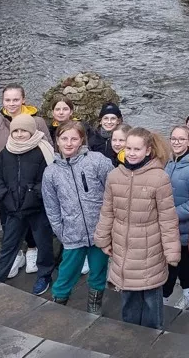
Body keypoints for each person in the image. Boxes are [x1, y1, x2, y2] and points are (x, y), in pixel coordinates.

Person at [94, 127, 180, 330]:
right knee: (129, 297)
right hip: (123, 246)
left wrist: (171, 252)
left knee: (151, 297)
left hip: (150, 248)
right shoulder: (115, 176)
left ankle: (153, 337)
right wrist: (103, 239)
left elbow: (167, 218)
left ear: (148, 150)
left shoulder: (159, 178)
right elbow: (107, 211)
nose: (131, 153)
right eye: (128, 148)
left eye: (137, 149)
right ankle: (131, 335)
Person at [0, 83, 52, 278]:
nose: (11, 103)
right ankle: (14, 258)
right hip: (8, 190)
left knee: (39, 234)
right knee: (9, 231)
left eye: (15, 99)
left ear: (23, 100)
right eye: (7, 100)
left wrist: (35, 192)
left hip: (32, 195)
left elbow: (49, 157)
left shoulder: (37, 123)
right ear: (3, 101)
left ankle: (33, 253)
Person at [41, 121, 113, 312]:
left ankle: (94, 306)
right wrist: (61, 231)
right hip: (72, 232)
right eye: (64, 138)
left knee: (98, 271)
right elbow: (52, 207)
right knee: (67, 272)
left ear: (82, 139)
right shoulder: (51, 172)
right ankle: (59, 304)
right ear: (57, 141)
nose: (69, 143)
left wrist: (109, 225)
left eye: (74, 138)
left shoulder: (97, 161)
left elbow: (112, 192)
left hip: (99, 231)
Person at [0, 114, 56, 295]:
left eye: (23, 130)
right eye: (15, 130)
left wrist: (33, 194)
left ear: (31, 131)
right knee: (8, 245)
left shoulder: (42, 152)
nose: (19, 134)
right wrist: (3, 195)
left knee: (44, 244)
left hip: (37, 208)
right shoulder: (6, 153)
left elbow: (49, 178)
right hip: (13, 208)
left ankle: (44, 276)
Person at [163, 125, 189, 310]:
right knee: (181, 261)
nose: (176, 142)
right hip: (168, 226)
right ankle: (187, 291)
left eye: (181, 139)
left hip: (182, 225)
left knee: (172, 264)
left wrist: (171, 214)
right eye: (173, 139)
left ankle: (164, 297)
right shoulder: (169, 163)